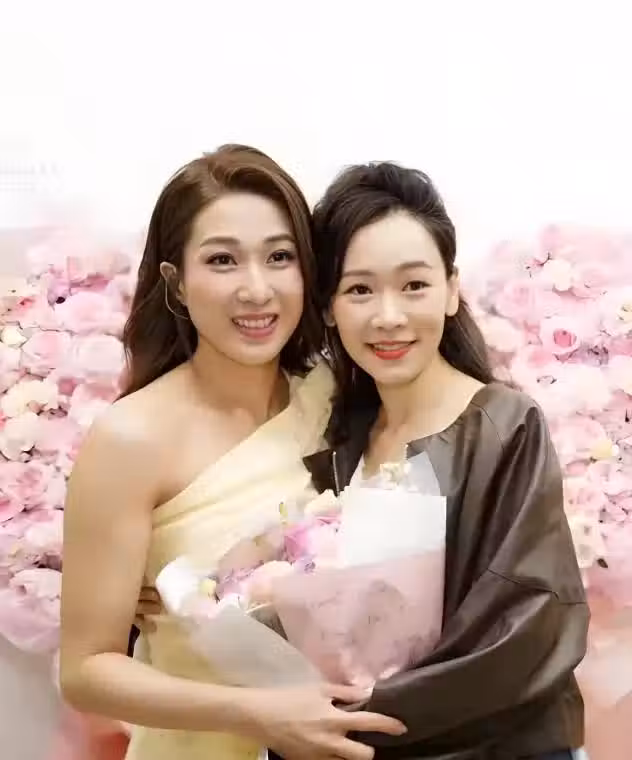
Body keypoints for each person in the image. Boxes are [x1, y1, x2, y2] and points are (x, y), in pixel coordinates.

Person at [59, 144, 407, 760]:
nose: (256, 289)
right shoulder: (130, 439)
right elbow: (85, 670)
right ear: (176, 282)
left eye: (279, 257)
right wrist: (259, 714)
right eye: (222, 260)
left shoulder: (340, 395)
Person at [302, 161, 590, 760]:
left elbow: (522, 626)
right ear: (327, 306)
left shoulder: (505, 425)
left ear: (452, 289)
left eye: (414, 285)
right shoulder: (336, 440)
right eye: (359, 290)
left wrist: (360, 712)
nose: (389, 316)